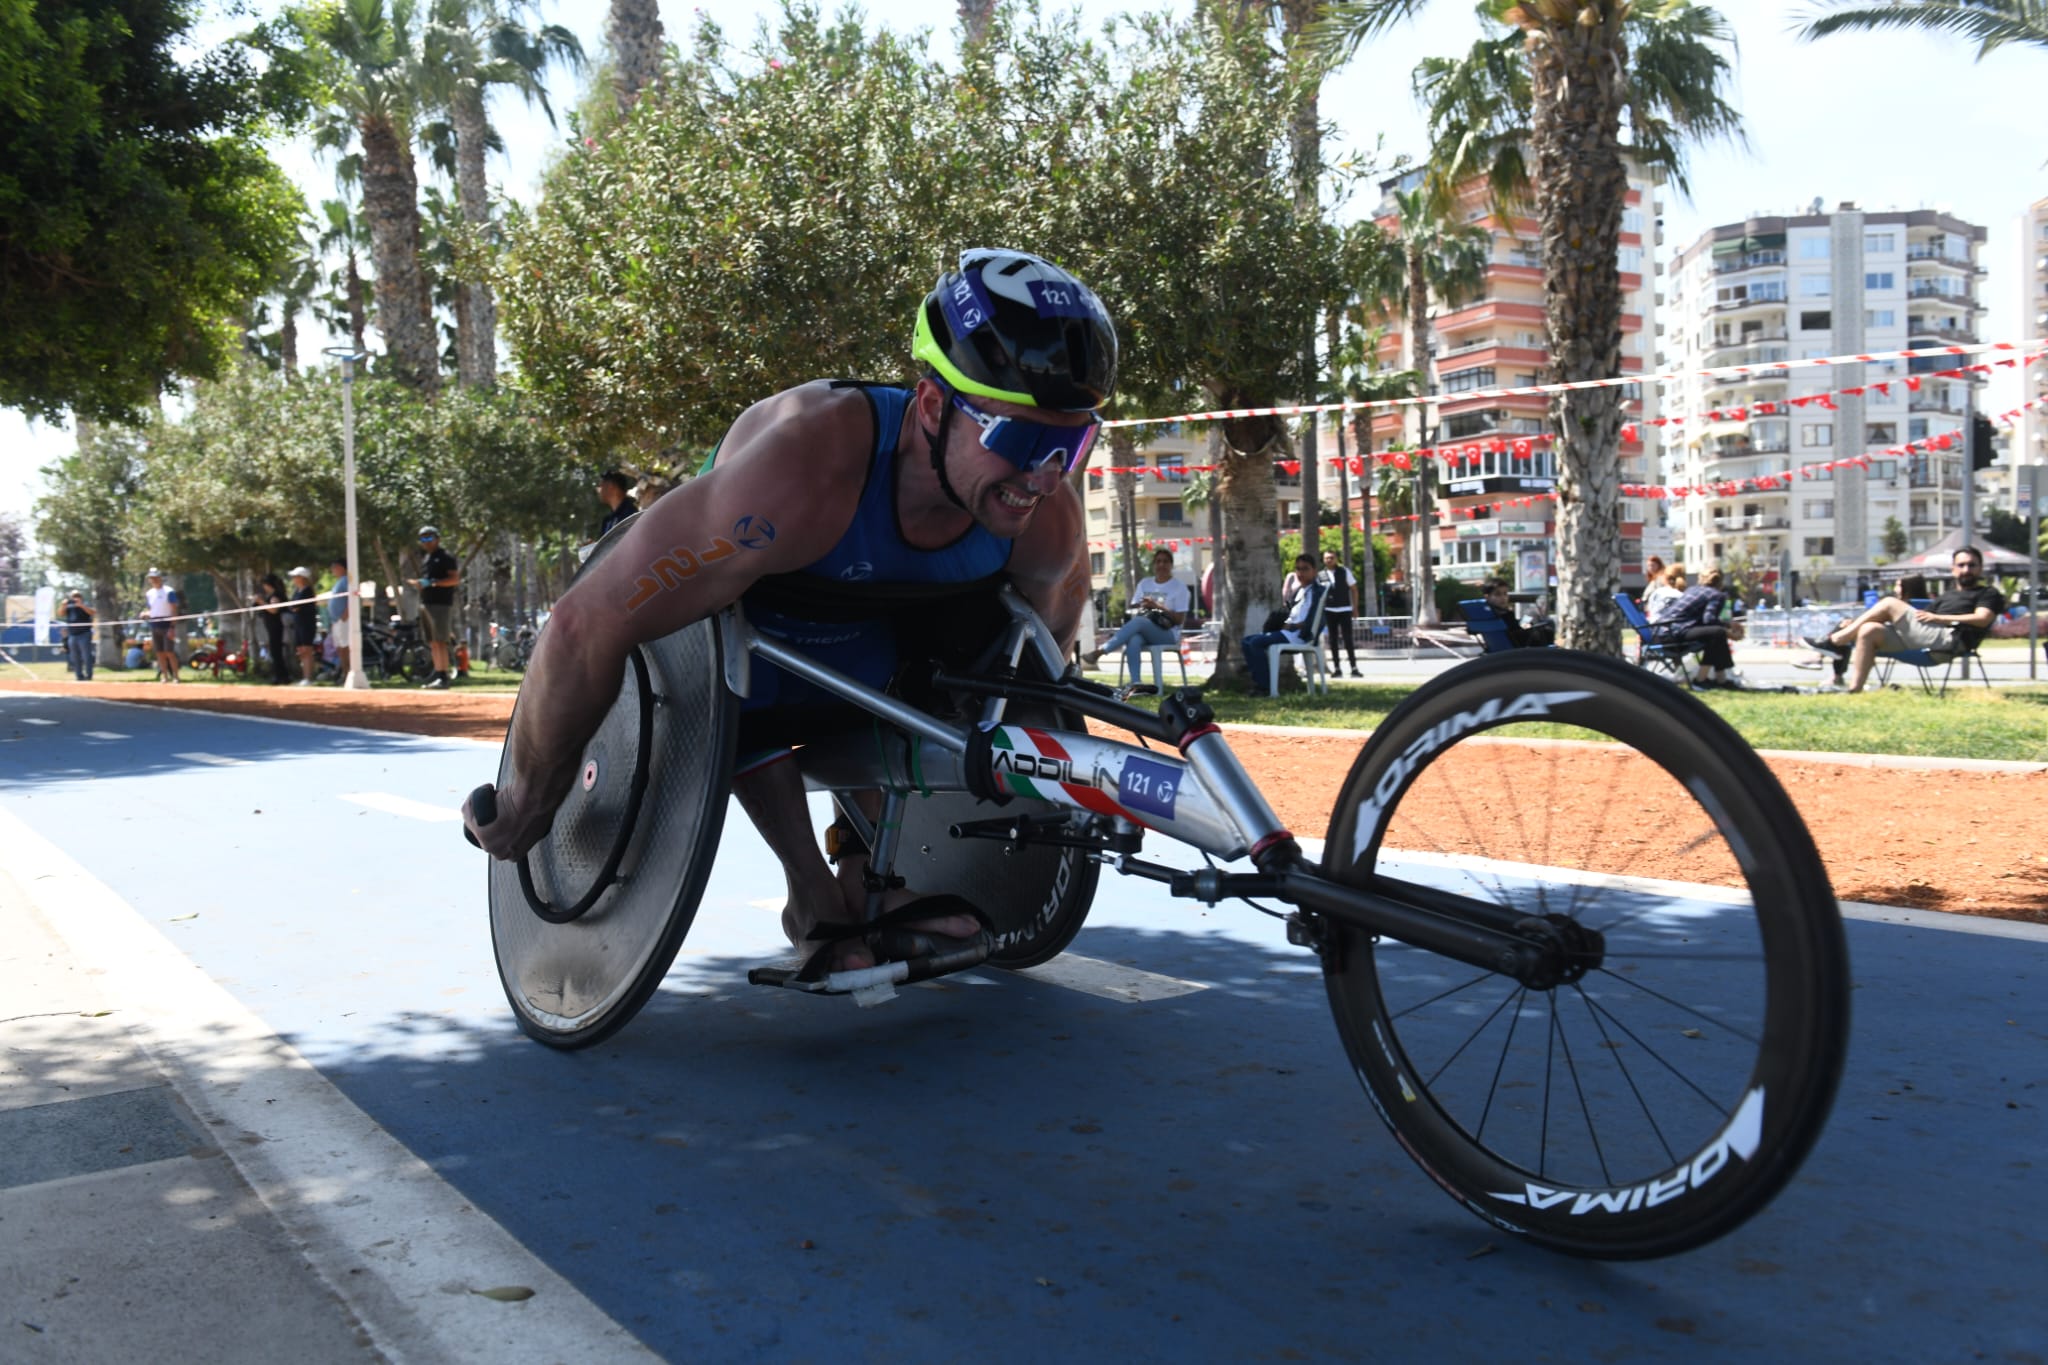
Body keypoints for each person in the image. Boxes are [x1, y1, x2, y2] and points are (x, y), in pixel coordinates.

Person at [462, 248, 1115, 985]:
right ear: (933, 407)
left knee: (966, 654)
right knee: (749, 662)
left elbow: (1030, 673)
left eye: (1070, 445)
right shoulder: (803, 471)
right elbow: (585, 623)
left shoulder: (1044, 519)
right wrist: (528, 801)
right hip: (746, 654)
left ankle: (871, 874)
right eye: (1018, 439)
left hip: (877, 660)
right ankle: (812, 893)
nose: (1042, 475)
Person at [1806, 547, 2004, 694]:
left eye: (1971, 565)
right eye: (1961, 565)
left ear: (1980, 569)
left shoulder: (1988, 593)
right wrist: (1858, 627)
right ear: (1953, 569)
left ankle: (1834, 641)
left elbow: (1982, 618)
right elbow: (1916, 623)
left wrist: (1939, 617)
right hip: (1926, 639)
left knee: (1890, 603)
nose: (1966, 569)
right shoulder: (1947, 596)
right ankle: (1854, 690)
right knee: (1869, 629)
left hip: (1951, 640)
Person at [1079, 547, 1188, 689]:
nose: (1162, 565)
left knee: (1139, 622)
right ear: (1154, 564)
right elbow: (1135, 606)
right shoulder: (1145, 583)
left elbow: (1179, 620)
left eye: (1166, 562)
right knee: (1134, 638)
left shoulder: (1179, 588)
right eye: (1158, 561)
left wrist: (1157, 606)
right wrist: (1143, 605)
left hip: (1167, 633)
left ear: (1171, 565)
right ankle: (1136, 683)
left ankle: (1101, 651)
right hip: (1145, 626)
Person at [1241, 554, 1325, 694]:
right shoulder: (1299, 591)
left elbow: (1315, 619)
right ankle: (1261, 682)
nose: (1301, 573)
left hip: (1298, 636)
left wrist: (1293, 626)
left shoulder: (1318, 592)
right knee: (1246, 641)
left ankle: (1264, 687)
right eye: (1298, 569)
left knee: (1255, 642)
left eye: (1305, 569)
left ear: (1314, 571)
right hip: (1286, 632)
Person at [414, 526, 460, 689]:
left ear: (437, 538)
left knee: (441, 640)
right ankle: (438, 672)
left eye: (429, 538)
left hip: (441, 604)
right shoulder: (427, 558)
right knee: (432, 641)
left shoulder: (445, 557)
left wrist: (434, 583)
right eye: (422, 539)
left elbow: (454, 579)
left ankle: (444, 675)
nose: (426, 542)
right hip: (427, 602)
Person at [1478, 578, 1554, 648]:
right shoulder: (1503, 615)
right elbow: (1518, 631)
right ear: (1487, 597)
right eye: (1498, 594)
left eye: (1505, 594)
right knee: (1545, 622)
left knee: (1530, 615)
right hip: (1523, 643)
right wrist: (1528, 625)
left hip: (1512, 639)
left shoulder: (1485, 614)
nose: (1503, 597)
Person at [1320, 549, 1360, 677]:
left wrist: (1355, 608)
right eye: (1326, 558)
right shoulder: (1320, 575)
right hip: (1329, 610)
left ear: (1336, 558)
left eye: (1331, 557)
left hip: (1345, 610)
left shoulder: (1344, 571)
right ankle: (1337, 669)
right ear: (1323, 559)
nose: (1329, 560)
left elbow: (1354, 589)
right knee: (1332, 640)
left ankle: (1354, 668)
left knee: (1348, 639)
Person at [142, 568, 181, 682]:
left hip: (167, 623)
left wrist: (172, 627)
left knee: (169, 651)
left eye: (155, 577)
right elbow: (151, 609)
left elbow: (174, 609)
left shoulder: (169, 591)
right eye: (151, 578)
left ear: (160, 578)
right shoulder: (149, 593)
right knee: (159, 652)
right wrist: (145, 614)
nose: (153, 580)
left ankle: (176, 676)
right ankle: (164, 676)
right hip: (155, 623)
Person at [284, 567, 320, 685]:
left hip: (307, 624)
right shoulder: (297, 591)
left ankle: (309, 678)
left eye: (296, 576)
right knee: (300, 650)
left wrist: (294, 608)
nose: (294, 579)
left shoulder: (307, 591)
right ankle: (304, 677)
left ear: (302, 578)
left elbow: (296, 607)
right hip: (298, 623)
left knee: (307, 649)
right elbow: (292, 607)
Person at [255, 572, 289, 684]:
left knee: (276, 652)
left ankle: (282, 676)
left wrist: (261, 602)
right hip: (270, 627)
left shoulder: (275, 596)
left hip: (277, 627)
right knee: (274, 652)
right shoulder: (270, 596)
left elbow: (274, 610)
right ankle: (280, 675)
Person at [326, 556, 352, 680]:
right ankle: (344, 671)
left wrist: (346, 613)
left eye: (334, 568)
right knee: (340, 647)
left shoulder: (347, 580)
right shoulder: (339, 581)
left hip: (344, 620)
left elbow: (351, 598)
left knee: (345, 646)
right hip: (337, 620)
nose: (332, 570)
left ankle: (348, 672)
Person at [62, 592, 96, 680]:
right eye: (73, 597)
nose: (75, 598)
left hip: (84, 633)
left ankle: (89, 675)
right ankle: (79, 675)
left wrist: (81, 605)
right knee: (74, 656)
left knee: (86, 655)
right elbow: (61, 614)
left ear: (81, 597)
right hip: (72, 634)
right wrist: (63, 605)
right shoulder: (69, 606)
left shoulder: (85, 604)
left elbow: (92, 612)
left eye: (77, 596)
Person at [597, 471, 640, 538]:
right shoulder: (607, 520)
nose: (598, 490)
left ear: (611, 486)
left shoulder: (631, 514)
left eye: (601, 486)